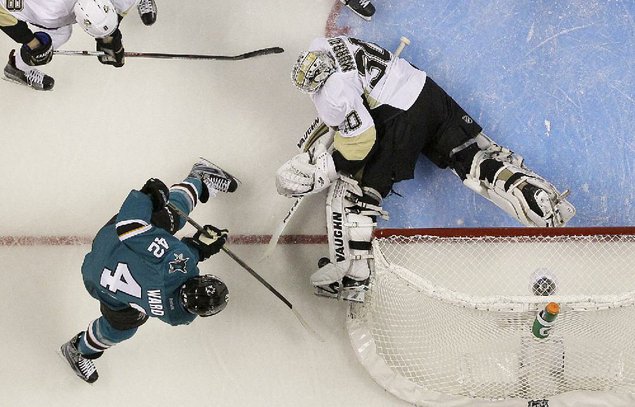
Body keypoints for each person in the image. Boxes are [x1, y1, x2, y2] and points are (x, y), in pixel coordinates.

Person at [276, 36, 576, 302]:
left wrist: (326, 168)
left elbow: (360, 145)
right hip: (424, 90)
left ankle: (354, 279)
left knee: (357, 191)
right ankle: (535, 195)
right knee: (469, 157)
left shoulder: (333, 94)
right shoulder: (325, 45)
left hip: (399, 119)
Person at [60, 159, 239, 383]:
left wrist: (147, 197)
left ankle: (199, 179)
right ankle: (78, 349)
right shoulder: (178, 317)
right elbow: (168, 274)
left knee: (169, 217)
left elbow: (129, 227)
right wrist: (198, 248)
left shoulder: (176, 260)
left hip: (110, 243)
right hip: (97, 282)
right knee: (122, 327)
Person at [0, 0, 136, 91]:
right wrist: (33, 44)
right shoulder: (49, 10)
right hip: (46, 12)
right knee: (62, 33)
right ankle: (17, 68)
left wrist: (111, 36)